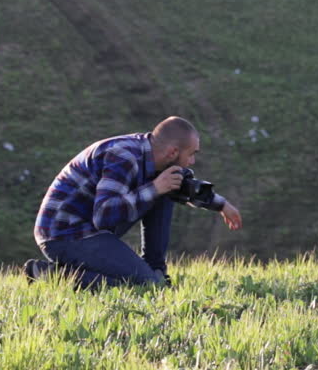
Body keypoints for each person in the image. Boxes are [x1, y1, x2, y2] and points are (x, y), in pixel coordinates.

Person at [23, 116, 242, 288]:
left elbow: (184, 188)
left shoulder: (155, 155)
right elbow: (104, 215)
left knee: (163, 191)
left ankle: (156, 271)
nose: (192, 161)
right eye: (192, 154)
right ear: (173, 152)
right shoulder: (124, 157)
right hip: (63, 234)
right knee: (141, 286)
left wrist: (222, 204)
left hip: (90, 228)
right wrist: (155, 188)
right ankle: (48, 274)